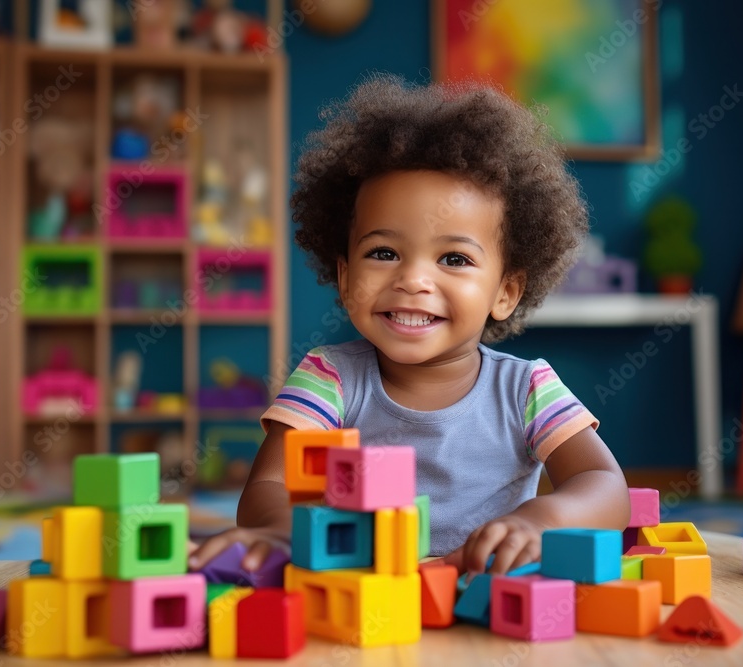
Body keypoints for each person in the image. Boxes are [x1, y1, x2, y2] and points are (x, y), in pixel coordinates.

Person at [189, 75, 630, 577]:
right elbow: (269, 487)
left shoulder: (527, 389)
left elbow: (604, 484)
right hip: (363, 596)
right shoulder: (330, 378)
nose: (413, 279)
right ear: (345, 274)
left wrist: (541, 520)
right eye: (383, 252)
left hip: (482, 603)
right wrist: (280, 529)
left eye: (454, 258)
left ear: (505, 291)